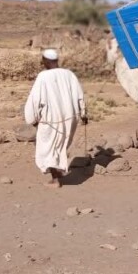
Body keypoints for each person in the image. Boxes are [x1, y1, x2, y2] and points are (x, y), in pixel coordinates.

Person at [24, 49, 87, 188]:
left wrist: (32, 119)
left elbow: (35, 100)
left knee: (47, 148)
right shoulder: (69, 74)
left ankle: (55, 180)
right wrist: (83, 113)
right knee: (61, 145)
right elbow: (79, 95)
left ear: (45, 61)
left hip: (51, 119)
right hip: (70, 118)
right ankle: (59, 171)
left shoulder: (43, 76)